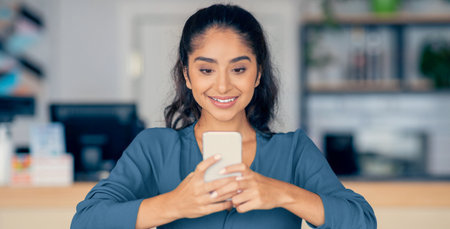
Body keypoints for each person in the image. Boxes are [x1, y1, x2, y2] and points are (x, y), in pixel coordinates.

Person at [71, 4, 376, 229]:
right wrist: (174, 204)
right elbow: (86, 221)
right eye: (206, 70)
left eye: (239, 69)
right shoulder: (155, 148)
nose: (222, 85)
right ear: (187, 75)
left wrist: (281, 193)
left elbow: (361, 221)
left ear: (257, 75)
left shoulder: (293, 152)